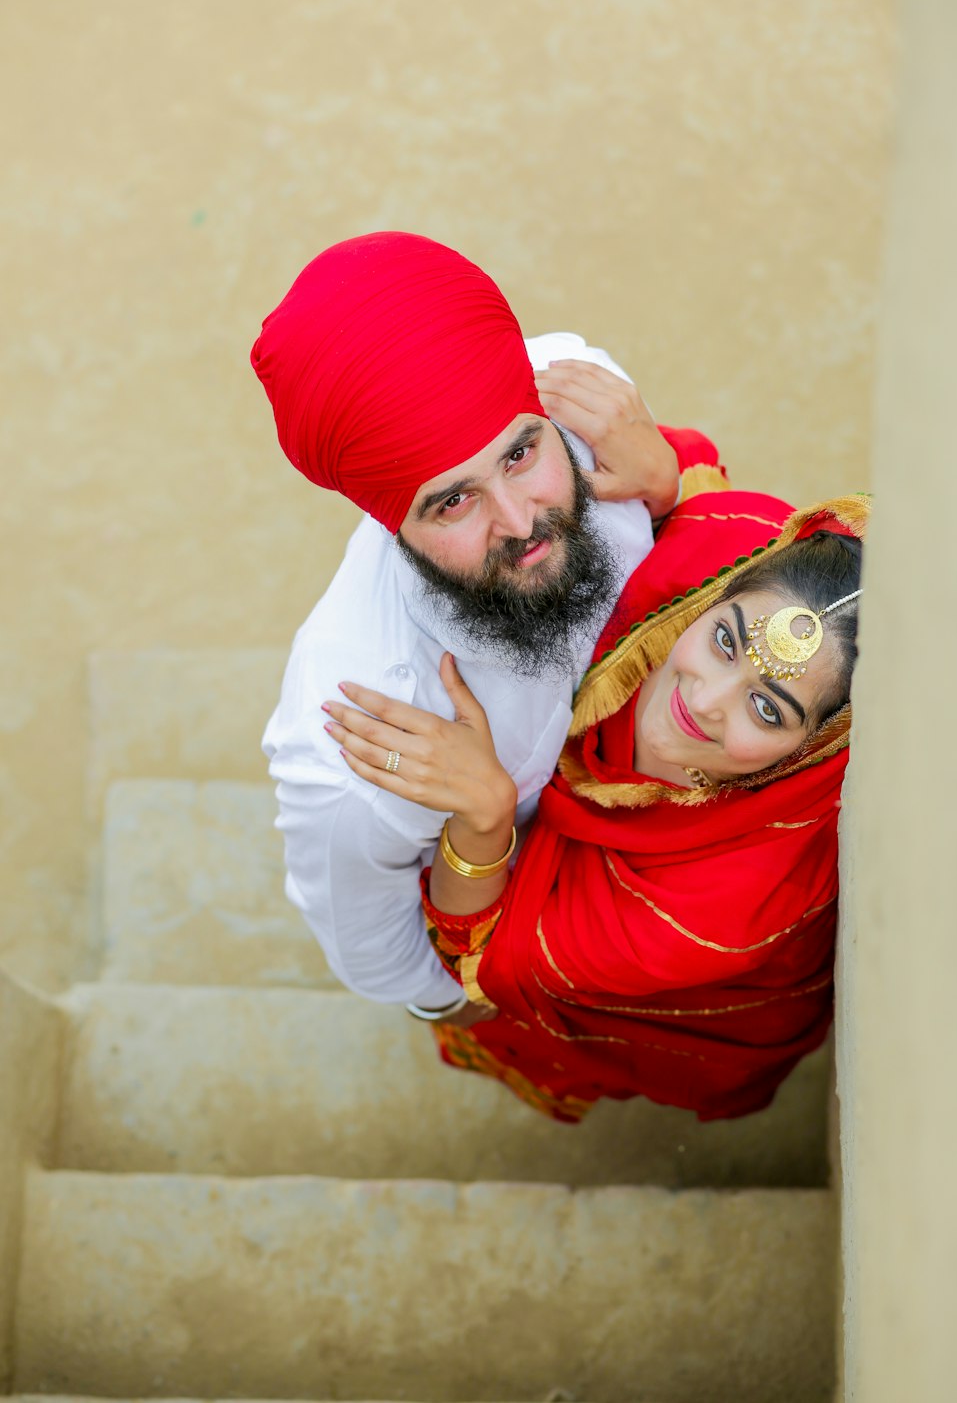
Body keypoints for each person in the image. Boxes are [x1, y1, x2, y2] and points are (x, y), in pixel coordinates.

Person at [251, 231, 723, 1016]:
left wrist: (671, 480)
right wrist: (485, 829)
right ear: (391, 523)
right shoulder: (351, 758)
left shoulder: (585, 408)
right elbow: (393, 970)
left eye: (518, 453)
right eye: (453, 501)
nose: (520, 521)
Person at [321, 485, 867, 1120]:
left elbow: (493, 959)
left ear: (816, 743)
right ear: (720, 594)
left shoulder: (717, 913)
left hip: (670, 990)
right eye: (724, 641)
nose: (706, 700)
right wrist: (662, 474)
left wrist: (486, 814)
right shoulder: (725, 550)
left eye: (768, 707)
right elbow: (691, 499)